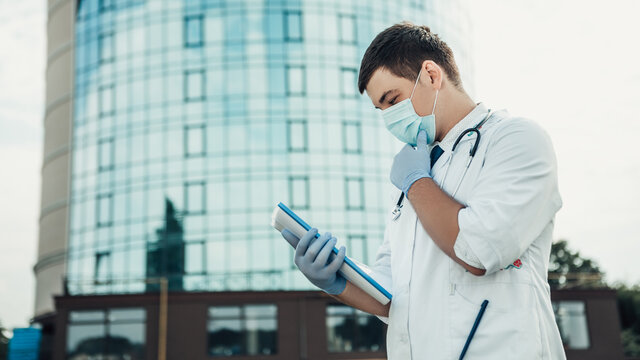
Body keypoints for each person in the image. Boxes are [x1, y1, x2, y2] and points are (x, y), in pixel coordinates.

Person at [281, 21, 565, 359]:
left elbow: (479, 250)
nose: (389, 118)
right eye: (381, 109)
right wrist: (337, 279)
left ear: (431, 75)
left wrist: (416, 182)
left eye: (392, 99)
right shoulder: (416, 173)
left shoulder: (515, 139)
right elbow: (394, 292)